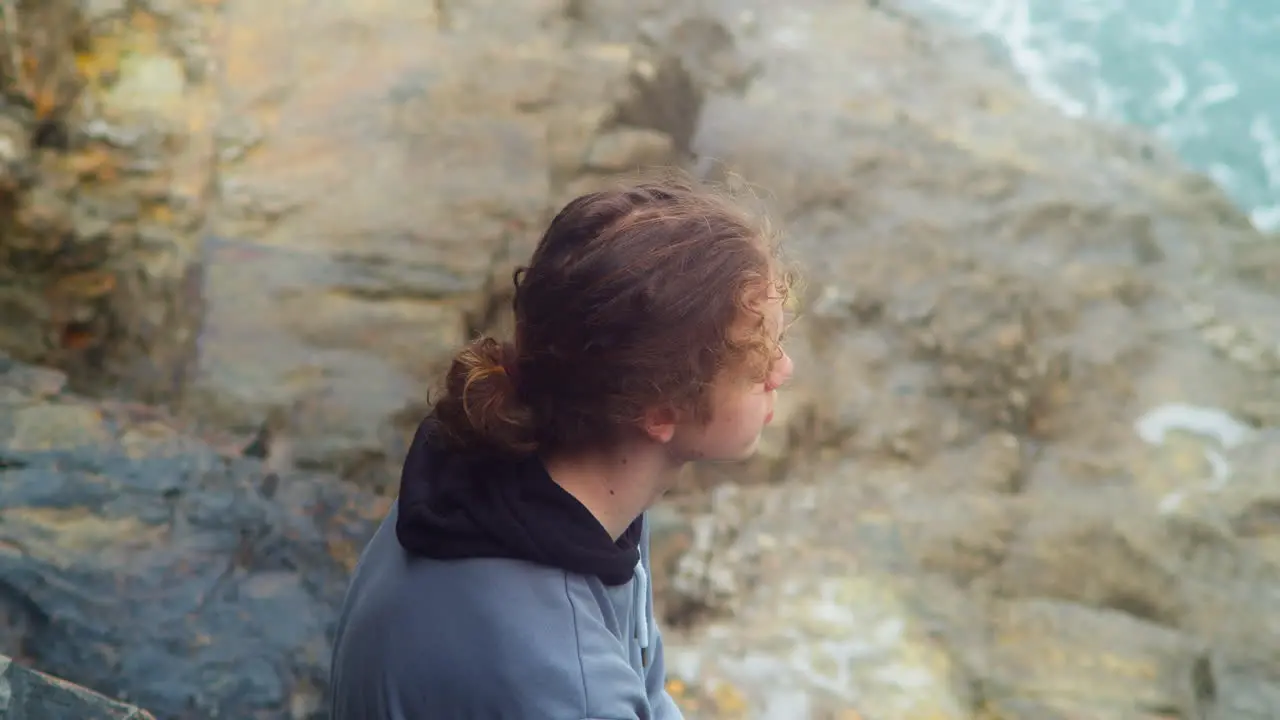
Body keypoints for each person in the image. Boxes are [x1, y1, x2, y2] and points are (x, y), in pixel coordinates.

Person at [328, 176, 796, 719]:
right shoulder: (566, 679)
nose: (784, 370)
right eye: (760, 360)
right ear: (659, 411)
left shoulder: (502, 471)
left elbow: (645, 693)